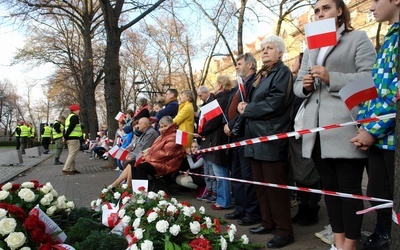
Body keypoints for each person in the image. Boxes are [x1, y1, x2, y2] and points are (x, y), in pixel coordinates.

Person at [293, 0, 376, 249]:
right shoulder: (310, 47)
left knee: (349, 190)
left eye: (326, 8)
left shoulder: (357, 38)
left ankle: (349, 245)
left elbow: (371, 77)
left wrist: (332, 77)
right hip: (316, 132)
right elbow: (298, 85)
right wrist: (305, 86)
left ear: (339, 11)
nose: (320, 13)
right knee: (329, 189)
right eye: (316, 10)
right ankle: (337, 242)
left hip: (344, 127)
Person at [237, 35, 295, 248]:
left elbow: (276, 103)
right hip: (255, 135)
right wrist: (244, 107)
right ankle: (268, 222)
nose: (264, 51)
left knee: (274, 187)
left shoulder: (283, 72)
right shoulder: (263, 74)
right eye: (262, 48)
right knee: (260, 184)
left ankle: (284, 230)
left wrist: (248, 109)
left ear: (280, 52)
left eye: (270, 48)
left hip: (271, 136)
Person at [350, 1, 399, 249]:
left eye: (377, 0)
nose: (371, 6)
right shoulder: (390, 37)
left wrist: (371, 129)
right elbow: (375, 91)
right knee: (378, 191)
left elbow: (395, 94)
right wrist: (364, 126)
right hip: (381, 137)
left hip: (392, 137)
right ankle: (383, 231)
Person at [223, 53, 261, 227]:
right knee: (236, 174)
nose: (236, 67)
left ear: (250, 65)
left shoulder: (255, 83)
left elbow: (246, 109)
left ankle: (251, 212)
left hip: (245, 134)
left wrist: (232, 124)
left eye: (239, 64)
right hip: (235, 136)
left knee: (247, 176)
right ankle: (240, 208)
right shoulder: (240, 85)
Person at [289, 52, 323, 227]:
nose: (294, 63)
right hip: (295, 135)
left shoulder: (311, 81)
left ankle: (312, 208)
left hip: (308, 133)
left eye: (296, 60)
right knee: (299, 175)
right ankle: (302, 207)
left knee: (311, 174)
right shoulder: (296, 84)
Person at [110, 116, 185, 188]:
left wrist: (146, 157)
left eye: (165, 126)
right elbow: (151, 149)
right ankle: (123, 184)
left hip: (166, 164)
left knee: (140, 166)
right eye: (161, 127)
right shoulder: (161, 136)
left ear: (171, 125)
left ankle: (140, 190)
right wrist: (144, 156)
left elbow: (165, 155)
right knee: (133, 163)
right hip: (156, 161)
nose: (162, 129)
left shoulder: (174, 137)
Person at [199, 75, 233, 211]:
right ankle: (223, 199)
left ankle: (223, 201)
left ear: (220, 85)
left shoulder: (220, 100)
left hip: (217, 139)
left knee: (220, 173)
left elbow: (212, 121)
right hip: (217, 138)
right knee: (219, 172)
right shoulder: (223, 98)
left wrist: (203, 131)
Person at [195, 86, 217, 203]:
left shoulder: (212, 103)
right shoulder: (204, 105)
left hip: (209, 139)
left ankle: (213, 192)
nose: (199, 98)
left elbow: (212, 121)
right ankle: (208, 191)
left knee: (211, 170)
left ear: (205, 93)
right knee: (207, 170)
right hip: (204, 140)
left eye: (200, 95)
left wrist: (202, 131)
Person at [62, 104, 83, 175]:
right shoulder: (74, 117)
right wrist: (65, 136)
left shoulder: (68, 117)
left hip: (69, 138)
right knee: (72, 154)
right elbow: (71, 127)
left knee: (71, 153)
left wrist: (64, 136)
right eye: (78, 110)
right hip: (73, 138)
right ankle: (66, 168)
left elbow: (66, 128)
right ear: (75, 110)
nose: (79, 111)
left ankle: (72, 168)